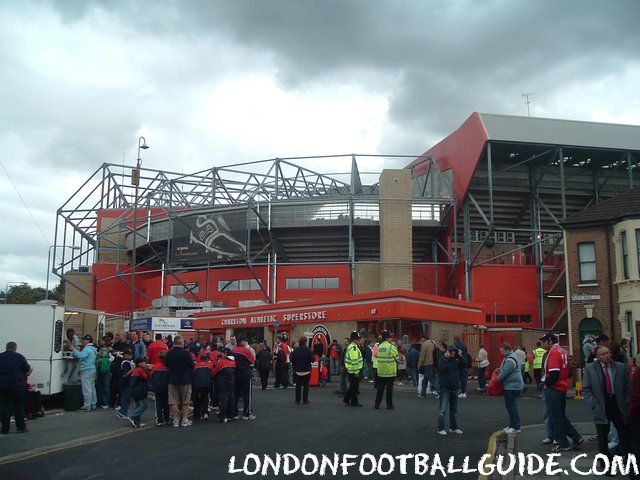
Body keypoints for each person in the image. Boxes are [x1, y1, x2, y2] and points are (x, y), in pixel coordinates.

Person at [583, 345, 630, 469]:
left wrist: (626, 402)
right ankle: (606, 464)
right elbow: (586, 389)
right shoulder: (590, 368)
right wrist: (594, 404)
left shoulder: (620, 367)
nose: (607, 356)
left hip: (618, 403)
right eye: (603, 354)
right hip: (601, 404)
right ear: (597, 357)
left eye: (608, 353)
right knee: (603, 437)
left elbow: (627, 387)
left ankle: (628, 459)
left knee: (624, 433)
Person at [540, 332, 583, 452]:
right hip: (563, 388)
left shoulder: (553, 353)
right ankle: (576, 437)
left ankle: (563, 443)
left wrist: (546, 384)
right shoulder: (563, 352)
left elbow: (554, 373)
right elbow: (569, 372)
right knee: (561, 415)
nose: (543, 345)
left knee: (555, 417)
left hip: (554, 388)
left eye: (544, 342)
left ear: (549, 341)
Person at [0, 342, 31, 434]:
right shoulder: (19, 357)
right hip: (17, 384)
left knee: (5, 406)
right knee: (18, 405)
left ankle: (5, 429)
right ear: (15, 348)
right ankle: (21, 427)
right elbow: (26, 368)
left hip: (2, 385)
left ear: (6, 347)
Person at [164, 335, 195, 427]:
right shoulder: (186, 353)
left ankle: (175, 420)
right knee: (185, 401)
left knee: (173, 401)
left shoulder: (169, 353)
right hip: (185, 380)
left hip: (173, 380)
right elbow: (192, 365)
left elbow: (166, 366)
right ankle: (184, 419)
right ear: (181, 343)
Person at [437, 345, 466, 435]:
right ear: (448, 352)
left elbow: (465, 365)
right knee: (442, 409)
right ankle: (441, 428)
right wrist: (446, 358)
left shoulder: (457, 360)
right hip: (445, 387)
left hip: (455, 386)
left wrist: (461, 356)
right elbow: (441, 368)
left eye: (454, 351)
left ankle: (453, 427)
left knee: (454, 410)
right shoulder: (443, 359)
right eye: (451, 351)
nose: (453, 353)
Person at [497, 343, 524, 434]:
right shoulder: (511, 357)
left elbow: (504, 373)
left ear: (507, 349)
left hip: (512, 387)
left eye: (502, 351)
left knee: (511, 407)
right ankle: (512, 425)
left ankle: (515, 427)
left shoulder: (510, 359)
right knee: (512, 406)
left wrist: (496, 379)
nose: (501, 353)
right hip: (513, 386)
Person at [231, 335, 256, 420]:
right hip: (245, 374)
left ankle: (235, 413)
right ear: (242, 341)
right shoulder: (246, 351)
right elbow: (252, 361)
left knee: (235, 394)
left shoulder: (233, 350)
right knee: (247, 394)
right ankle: (246, 414)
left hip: (235, 373)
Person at [71, 335, 98, 411]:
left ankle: (86, 406)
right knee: (92, 388)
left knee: (86, 389)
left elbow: (81, 356)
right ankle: (93, 404)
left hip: (86, 369)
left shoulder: (87, 349)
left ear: (87, 341)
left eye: (83, 340)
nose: (82, 341)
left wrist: (74, 350)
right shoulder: (93, 349)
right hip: (92, 369)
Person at [374, 331, 398, 410]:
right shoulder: (391, 347)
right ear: (388, 338)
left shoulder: (379, 347)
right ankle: (389, 405)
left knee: (380, 389)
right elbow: (397, 358)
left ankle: (377, 404)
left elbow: (376, 356)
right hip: (390, 372)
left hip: (381, 371)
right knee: (389, 389)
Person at [213, 348, 236, 422]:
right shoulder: (233, 362)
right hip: (231, 382)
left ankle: (222, 416)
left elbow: (215, 372)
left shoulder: (222, 362)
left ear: (225, 353)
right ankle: (231, 415)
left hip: (223, 383)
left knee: (223, 399)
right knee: (231, 398)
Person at [149, 350, 171, 426]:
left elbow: (151, 377)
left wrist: (152, 387)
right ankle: (167, 418)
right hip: (166, 387)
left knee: (158, 404)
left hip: (157, 388)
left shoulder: (155, 366)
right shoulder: (168, 367)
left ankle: (159, 420)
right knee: (166, 404)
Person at [290, 336, 313, 404]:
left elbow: (291, 359)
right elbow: (312, 359)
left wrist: (295, 364)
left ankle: (297, 400)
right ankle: (305, 400)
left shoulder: (296, 350)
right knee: (306, 386)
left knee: (298, 386)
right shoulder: (308, 349)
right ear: (305, 342)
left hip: (297, 370)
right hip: (306, 370)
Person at [343, 331, 364, 407]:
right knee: (355, 387)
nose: (359, 340)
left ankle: (347, 399)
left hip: (351, 369)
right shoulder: (354, 348)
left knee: (353, 386)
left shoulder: (352, 346)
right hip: (354, 370)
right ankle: (354, 402)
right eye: (357, 339)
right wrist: (356, 371)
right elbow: (354, 361)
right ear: (354, 340)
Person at [129, 357, 149, 427]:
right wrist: (147, 370)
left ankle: (137, 422)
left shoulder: (135, 370)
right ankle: (132, 416)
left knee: (137, 405)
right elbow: (146, 377)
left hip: (135, 390)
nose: (145, 363)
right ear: (139, 363)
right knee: (144, 405)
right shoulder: (140, 370)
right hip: (140, 390)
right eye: (143, 362)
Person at [192, 353, 214, 420]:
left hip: (196, 384)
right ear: (207, 359)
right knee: (205, 397)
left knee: (196, 399)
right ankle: (205, 413)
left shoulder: (195, 365)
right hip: (206, 383)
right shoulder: (209, 365)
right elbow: (213, 373)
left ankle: (196, 414)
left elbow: (192, 374)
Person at [117, 350, 134, 419]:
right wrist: (133, 369)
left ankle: (123, 412)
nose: (130, 356)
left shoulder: (125, 362)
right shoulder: (126, 363)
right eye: (129, 355)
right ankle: (122, 413)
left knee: (126, 398)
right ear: (125, 355)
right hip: (126, 383)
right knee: (126, 399)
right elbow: (125, 374)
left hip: (124, 383)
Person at [96, 338, 113, 409]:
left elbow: (112, 357)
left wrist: (106, 361)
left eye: (102, 340)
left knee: (105, 385)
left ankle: (105, 402)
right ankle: (100, 401)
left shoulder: (110, 349)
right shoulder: (98, 349)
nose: (100, 341)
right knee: (99, 385)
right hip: (99, 368)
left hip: (107, 368)